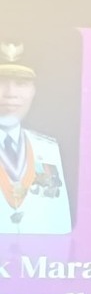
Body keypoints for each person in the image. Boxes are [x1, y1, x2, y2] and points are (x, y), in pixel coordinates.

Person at [0, 44, 71, 234]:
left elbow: (61, 223)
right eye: (1, 82)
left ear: (34, 90)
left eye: (21, 83)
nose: (11, 93)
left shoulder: (49, 149)